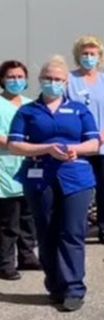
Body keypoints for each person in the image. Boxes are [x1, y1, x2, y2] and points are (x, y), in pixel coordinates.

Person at [7, 56, 99, 311]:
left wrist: (75, 149)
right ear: (40, 81)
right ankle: (55, 285)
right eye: (48, 79)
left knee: (71, 232)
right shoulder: (27, 112)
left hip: (76, 178)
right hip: (40, 178)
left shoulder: (79, 110)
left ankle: (74, 288)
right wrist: (46, 148)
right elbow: (15, 145)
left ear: (66, 82)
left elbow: (94, 143)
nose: (53, 83)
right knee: (46, 233)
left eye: (58, 79)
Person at [67, 36, 104, 246]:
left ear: (100, 56)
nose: (89, 57)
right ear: (77, 56)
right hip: (79, 145)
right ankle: (77, 229)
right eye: (85, 54)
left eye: (93, 54)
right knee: (79, 188)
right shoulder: (68, 80)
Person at [0, 60, 40, 280]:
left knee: (28, 216)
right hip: (4, 167)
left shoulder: (30, 104)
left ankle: (27, 256)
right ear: (2, 80)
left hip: (28, 166)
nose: (15, 81)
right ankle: (5, 262)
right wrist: (17, 144)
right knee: (9, 220)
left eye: (19, 77)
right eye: (10, 77)